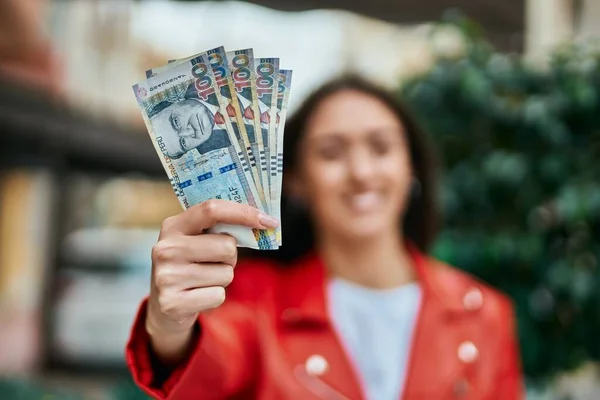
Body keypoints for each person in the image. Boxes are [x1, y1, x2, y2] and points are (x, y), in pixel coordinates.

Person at [126, 75, 524, 400]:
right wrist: (169, 326)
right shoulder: (251, 299)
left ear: (411, 167)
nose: (361, 172)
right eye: (332, 152)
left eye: (381, 147)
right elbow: (207, 365)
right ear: (295, 180)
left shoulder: (486, 315)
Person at [148, 83, 233, 159]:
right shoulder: (221, 145)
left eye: (176, 122)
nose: (190, 132)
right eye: (183, 142)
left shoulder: (202, 80)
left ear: (176, 102)